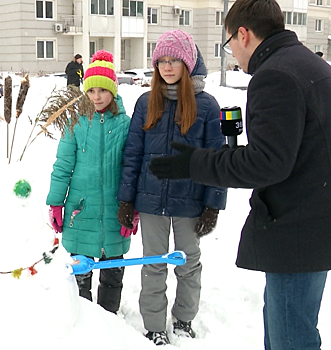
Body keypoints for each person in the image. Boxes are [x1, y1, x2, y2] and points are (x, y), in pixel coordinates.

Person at [149, 1, 331, 349]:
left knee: (290, 338)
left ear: (243, 35)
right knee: (294, 328)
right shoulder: (311, 65)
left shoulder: (275, 75)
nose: (231, 50)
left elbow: (269, 163)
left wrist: (196, 164)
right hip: (315, 224)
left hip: (296, 231)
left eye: (229, 41)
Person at [117, 30, 227, 346]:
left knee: (188, 263)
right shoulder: (145, 102)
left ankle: (183, 319)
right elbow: (133, 153)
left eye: (174, 60)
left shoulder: (207, 106)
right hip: (150, 201)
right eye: (161, 61)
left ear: (187, 63)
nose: (167, 67)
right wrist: (127, 199)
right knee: (153, 263)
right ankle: (154, 325)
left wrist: (212, 205)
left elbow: (216, 160)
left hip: (190, 202)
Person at [47, 50, 133, 314]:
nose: (97, 97)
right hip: (80, 211)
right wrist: (56, 203)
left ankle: (110, 322)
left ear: (113, 91)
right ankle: (83, 322)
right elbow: (63, 166)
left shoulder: (126, 124)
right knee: (80, 278)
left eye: (103, 91)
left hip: (114, 211)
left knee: (112, 274)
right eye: (92, 90)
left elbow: (132, 168)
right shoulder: (75, 123)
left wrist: (132, 207)